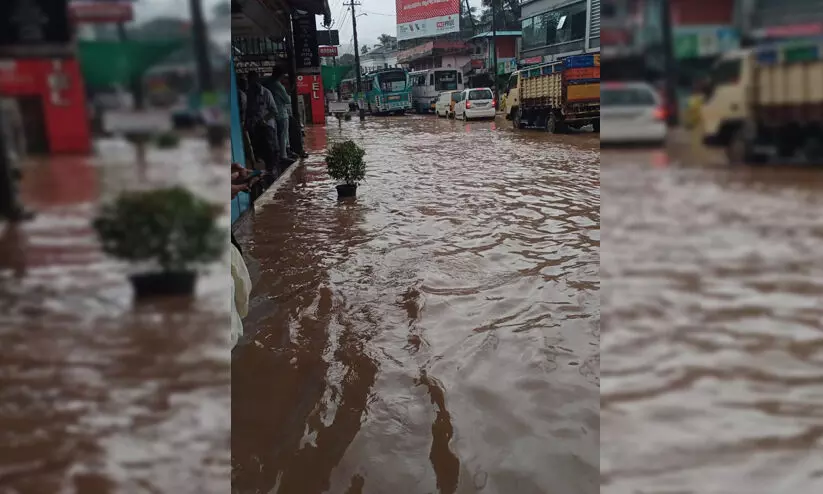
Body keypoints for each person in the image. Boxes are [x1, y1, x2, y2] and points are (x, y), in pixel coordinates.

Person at [244, 71, 279, 173]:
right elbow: (248, 111)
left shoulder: (266, 93)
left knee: (270, 150)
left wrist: (264, 120)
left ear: (257, 80)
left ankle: (272, 170)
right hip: (255, 128)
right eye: (250, 81)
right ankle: (263, 172)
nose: (251, 83)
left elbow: (274, 111)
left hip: (267, 127)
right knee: (258, 151)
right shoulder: (249, 94)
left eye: (253, 81)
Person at [269, 67, 294, 163]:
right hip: (281, 113)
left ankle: (282, 153)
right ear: (280, 75)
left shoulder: (267, 83)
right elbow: (288, 101)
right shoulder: (278, 85)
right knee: (283, 135)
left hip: (270, 115)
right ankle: (284, 155)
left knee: (276, 135)